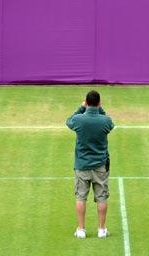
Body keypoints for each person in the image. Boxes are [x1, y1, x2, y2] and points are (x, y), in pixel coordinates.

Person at [66, 89, 114, 239]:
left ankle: (81, 230)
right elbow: (108, 121)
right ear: (99, 103)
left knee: (81, 197)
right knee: (102, 197)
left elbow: (69, 120)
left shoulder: (79, 119)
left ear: (86, 103)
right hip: (100, 165)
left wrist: (82, 108)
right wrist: (99, 108)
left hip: (82, 165)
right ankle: (101, 230)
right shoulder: (105, 121)